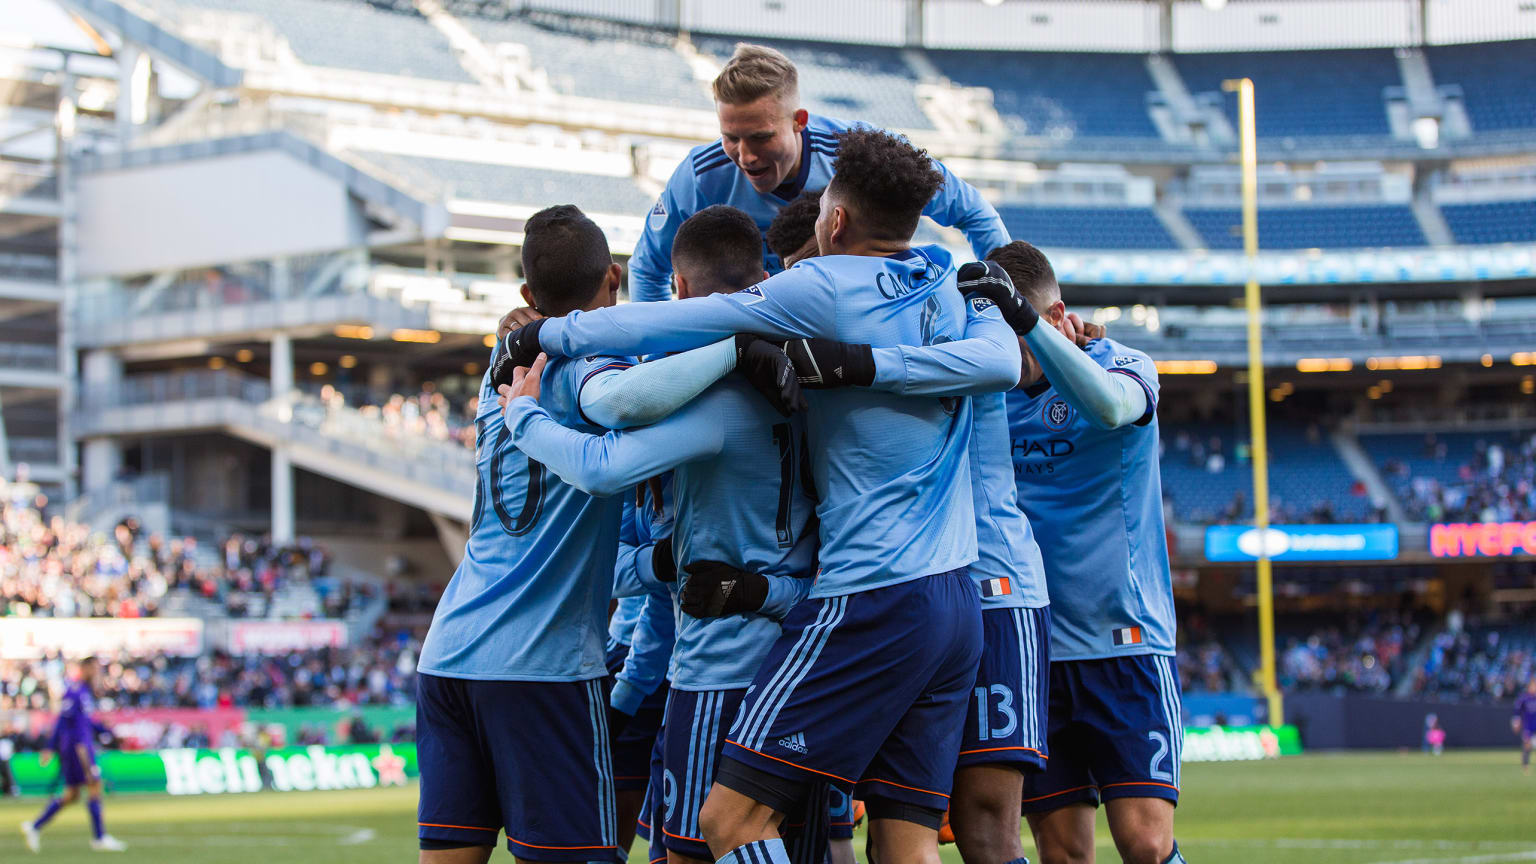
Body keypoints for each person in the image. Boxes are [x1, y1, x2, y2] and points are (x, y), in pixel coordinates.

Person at [500, 127, 1018, 864]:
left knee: (730, 821)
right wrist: (883, 363)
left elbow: (674, 320)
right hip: (957, 601)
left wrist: (554, 334)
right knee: (904, 846)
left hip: (869, 597)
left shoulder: (823, 286)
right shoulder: (945, 270)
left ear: (834, 220)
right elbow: (999, 360)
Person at [500, 205, 820, 864]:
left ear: (675, 290)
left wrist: (523, 415)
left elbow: (602, 462)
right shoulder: (818, 384)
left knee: (689, 851)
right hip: (808, 664)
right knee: (809, 847)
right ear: (764, 276)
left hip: (721, 669)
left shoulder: (708, 403)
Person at [983, 241, 1186, 864]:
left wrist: (1031, 331)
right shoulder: (986, 391)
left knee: (1146, 843)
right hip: (1035, 648)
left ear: (1056, 315)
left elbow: (1110, 406)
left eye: (1018, 333)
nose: (1008, 355)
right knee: (1064, 849)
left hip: (1125, 639)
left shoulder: (1125, 364)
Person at [628, 43, 1008, 301]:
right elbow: (648, 270)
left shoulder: (860, 155)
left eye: (760, 138)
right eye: (731, 138)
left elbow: (973, 212)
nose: (744, 156)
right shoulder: (700, 177)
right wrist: (656, 354)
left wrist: (1008, 305)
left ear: (799, 121)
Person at [20, 659, 127, 853]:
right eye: (94, 669)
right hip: (78, 749)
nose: (97, 674)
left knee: (72, 794)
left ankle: (35, 826)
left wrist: (104, 729)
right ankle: (99, 838)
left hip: (80, 746)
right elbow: (62, 721)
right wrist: (50, 747)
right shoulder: (75, 691)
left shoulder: (85, 693)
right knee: (95, 785)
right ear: (85, 669)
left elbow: (85, 722)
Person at [1514, 679, 1536, 774]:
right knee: (1527, 745)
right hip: (1528, 726)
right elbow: (1517, 712)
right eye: (1532, 686)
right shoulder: (1524, 699)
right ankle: (1525, 765)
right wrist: (1516, 723)